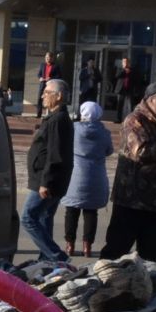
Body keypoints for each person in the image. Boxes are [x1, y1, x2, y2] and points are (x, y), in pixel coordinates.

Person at [101, 80, 156, 262]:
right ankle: (106, 285)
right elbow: (141, 152)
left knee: (151, 256)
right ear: (152, 99)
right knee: (116, 251)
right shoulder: (135, 120)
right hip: (132, 201)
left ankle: (145, 289)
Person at [22, 79, 73, 261]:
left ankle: (57, 256)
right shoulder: (53, 117)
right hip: (46, 178)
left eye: (47, 92)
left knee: (28, 218)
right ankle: (47, 259)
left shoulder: (58, 119)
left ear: (58, 96)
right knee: (44, 218)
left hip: (48, 180)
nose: (43, 95)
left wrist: (46, 182)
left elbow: (55, 154)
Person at [62, 99, 112, 258]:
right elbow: (109, 151)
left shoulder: (73, 129)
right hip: (96, 176)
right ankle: (87, 247)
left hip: (74, 175)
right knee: (91, 212)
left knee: (71, 211)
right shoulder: (104, 132)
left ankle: (69, 245)